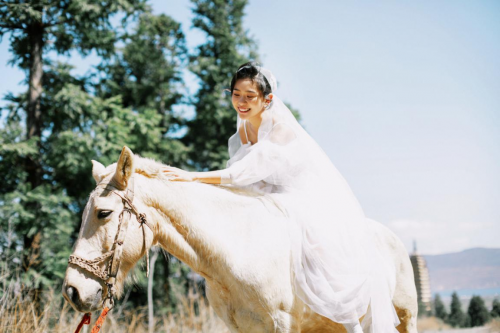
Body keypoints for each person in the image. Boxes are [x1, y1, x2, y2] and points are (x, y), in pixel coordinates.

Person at [162, 62, 400, 333]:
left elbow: (243, 172)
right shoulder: (242, 130)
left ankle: (350, 322)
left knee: (318, 251)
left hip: (298, 195)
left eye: (250, 96)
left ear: (267, 99)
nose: (241, 101)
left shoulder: (280, 129)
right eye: (236, 94)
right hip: (266, 197)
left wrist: (193, 177)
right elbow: (244, 177)